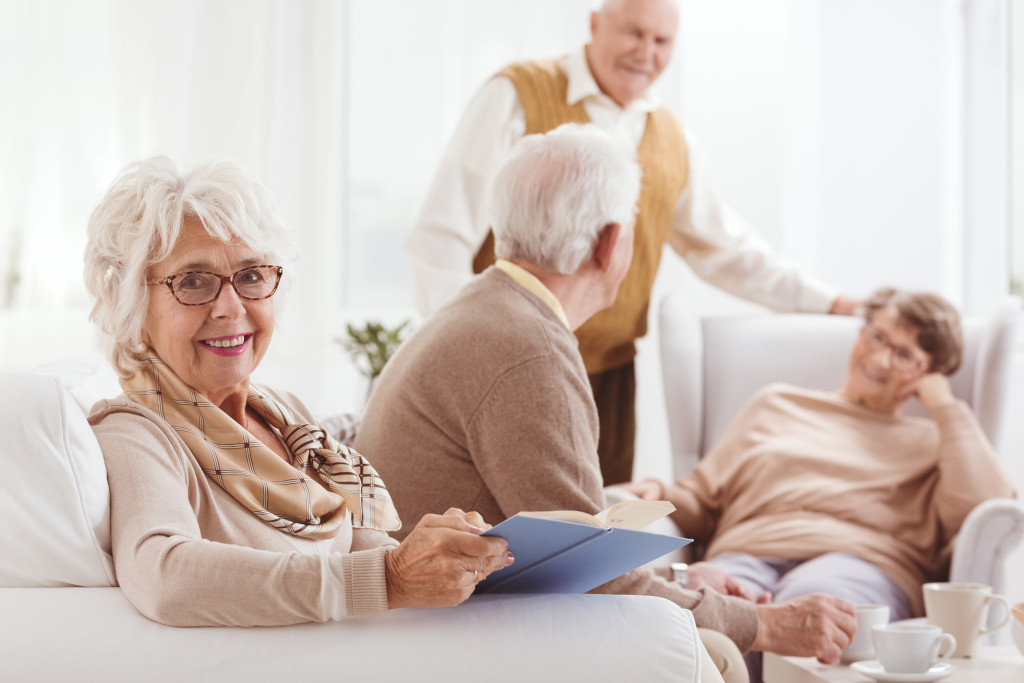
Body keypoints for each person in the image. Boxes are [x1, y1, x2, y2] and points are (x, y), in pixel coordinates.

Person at [356, 123, 857, 678]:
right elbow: (589, 568)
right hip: (454, 630)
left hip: (431, 615)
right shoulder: (528, 348)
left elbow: (573, 544)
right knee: (713, 652)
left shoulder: (485, 309)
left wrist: (685, 582)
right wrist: (767, 624)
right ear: (610, 243)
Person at [405, 0, 861, 486]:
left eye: (662, 41)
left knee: (592, 533)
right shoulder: (517, 92)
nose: (646, 53)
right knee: (488, 528)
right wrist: (465, 345)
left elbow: (724, 249)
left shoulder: (671, 137)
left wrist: (829, 302)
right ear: (595, 24)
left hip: (608, 375)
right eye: (633, 33)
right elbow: (440, 236)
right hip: (505, 362)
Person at [82, 157, 513, 627]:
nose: (230, 307)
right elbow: (164, 576)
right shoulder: (134, 430)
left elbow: (371, 555)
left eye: (250, 276)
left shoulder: (287, 416)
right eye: (192, 282)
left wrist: (453, 559)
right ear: (134, 309)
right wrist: (386, 578)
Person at [619, 287, 1018, 676]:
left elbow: (984, 510)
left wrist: (945, 406)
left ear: (927, 374)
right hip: (747, 553)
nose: (880, 360)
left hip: (859, 563)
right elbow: (701, 499)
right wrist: (662, 494)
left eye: (904, 355)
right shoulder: (776, 404)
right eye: (877, 336)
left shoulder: (934, 442)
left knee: (816, 618)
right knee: (715, 618)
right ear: (860, 332)